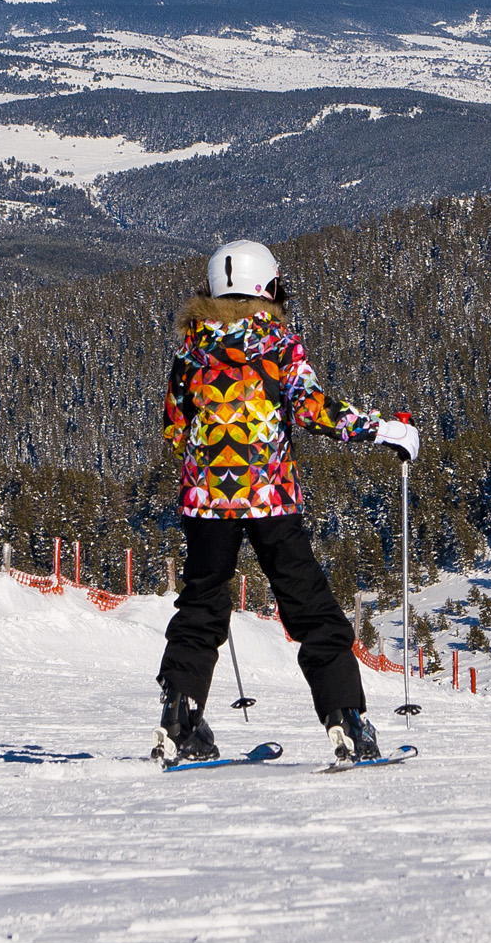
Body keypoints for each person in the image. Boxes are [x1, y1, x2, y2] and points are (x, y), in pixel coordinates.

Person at [152, 237, 419, 767]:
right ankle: (346, 718)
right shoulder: (278, 346)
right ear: (262, 288)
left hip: (205, 505)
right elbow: (318, 410)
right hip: (271, 499)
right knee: (309, 607)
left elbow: (172, 431)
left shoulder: (189, 353)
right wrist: (382, 431)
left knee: (202, 606)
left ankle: (180, 716)